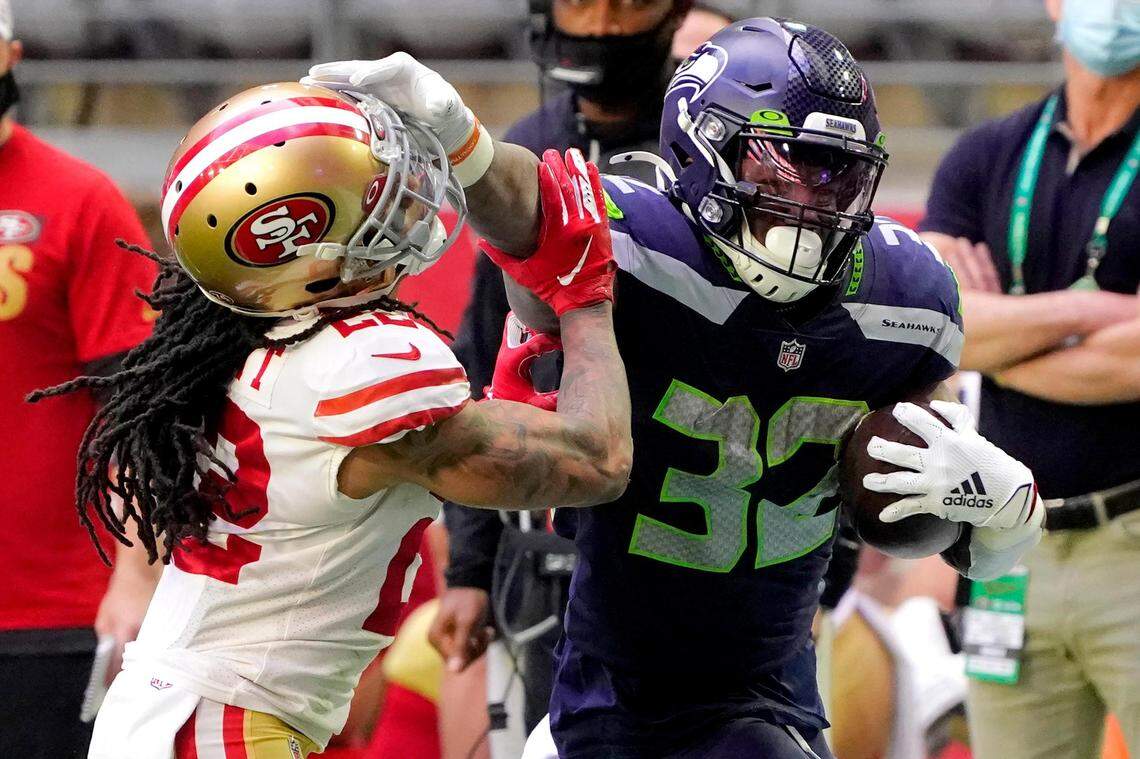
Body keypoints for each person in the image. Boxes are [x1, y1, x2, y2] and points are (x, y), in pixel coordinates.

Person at [312, 19, 1048, 757]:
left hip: (769, 698)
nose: (810, 204)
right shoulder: (645, 245)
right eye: (777, 168)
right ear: (701, 151)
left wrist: (1004, 517)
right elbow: (527, 204)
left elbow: (925, 499)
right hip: (609, 695)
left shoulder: (906, 300)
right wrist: (461, 138)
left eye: (835, 171)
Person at [39, 79, 631, 758]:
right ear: (298, 238)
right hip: (222, 720)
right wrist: (586, 293)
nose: (399, 192)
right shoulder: (362, 364)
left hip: (190, 707)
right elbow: (601, 460)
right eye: (371, 186)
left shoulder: (242, 337)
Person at [432, 0, 733, 746]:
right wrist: (471, 568)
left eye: (624, 7)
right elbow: (479, 358)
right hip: (549, 539)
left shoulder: (707, 153)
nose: (600, 26)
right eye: (582, 6)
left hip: (689, 528)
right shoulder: (525, 152)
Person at [919, 0, 1140, 755]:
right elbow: (938, 330)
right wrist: (1100, 312)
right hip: (1009, 544)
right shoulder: (985, 155)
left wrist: (999, 325)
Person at [0, 2, 162, 756]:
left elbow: (140, 409)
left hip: (54, 613)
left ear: (10, 56)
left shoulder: (80, 200)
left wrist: (136, 577)